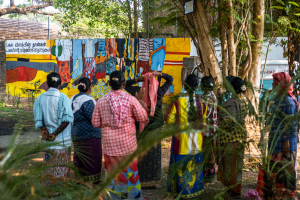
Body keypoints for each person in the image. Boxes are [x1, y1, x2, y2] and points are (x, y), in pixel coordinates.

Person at [92, 71, 148, 200]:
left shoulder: (101, 101)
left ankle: (112, 197)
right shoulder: (131, 100)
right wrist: (141, 102)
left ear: (110, 84)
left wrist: (106, 125)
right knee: (130, 173)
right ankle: (132, 197)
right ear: (123, 83)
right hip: (128, 146)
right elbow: (143, 117)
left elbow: (95, 123)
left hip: (110, 146)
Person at [256, 72, 298, 199]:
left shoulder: (289, 101)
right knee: (275, 168)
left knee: (285, 169)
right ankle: (276, 194)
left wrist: (286, 140)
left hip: (285, 143)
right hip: (275, 141)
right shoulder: (277, 100)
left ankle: (286, 195)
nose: (273, 84)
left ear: (282, 85)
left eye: (275, 82)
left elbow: (290, 122)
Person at [164, 74, 204, 198]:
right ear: (197, 86)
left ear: (184, 85)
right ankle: (194, 191)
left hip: (181, 144)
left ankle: (180, 192)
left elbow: (169, 119)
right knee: (194, 168)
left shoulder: (177, 100)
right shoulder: (202, 101)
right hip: (197, 143)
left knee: (180, 169)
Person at [33, 72, 74, 193]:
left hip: (48, 141)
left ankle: (49, 190)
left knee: (49, 166)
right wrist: (55, 133)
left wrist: (44, 130)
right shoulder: (63, 97)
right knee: (62, 165)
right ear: (60, 84)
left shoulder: (40, 98)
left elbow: (38, 117)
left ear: (47, 83)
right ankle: (61, 191)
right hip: (62, 141)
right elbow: (67, 120)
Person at [136, 71, 173, 188]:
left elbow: (126, 85)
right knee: (154, 155)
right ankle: (154, 181)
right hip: (155, 129)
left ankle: (142, 180)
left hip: (142, 129)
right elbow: (170, 79)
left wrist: (138, 80)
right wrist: (160, 74)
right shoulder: (159, 93)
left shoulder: (139, 93)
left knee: (142, 154)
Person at [216, 77, 249, 199]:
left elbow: (230, 122)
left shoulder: (231, 102)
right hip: (241, 136)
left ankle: (232, 190)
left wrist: (219, 121)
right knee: (237, 164)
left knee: (230, 164)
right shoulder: (245, 99)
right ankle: (236, 189)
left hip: (231, 138)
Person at [70, 77, 102, 184]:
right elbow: (93, 118)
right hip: (89, 135)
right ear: (90, 87)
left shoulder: (73, 98)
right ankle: (91, 182)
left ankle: (80, 180)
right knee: (91, 158)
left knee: (80, 157)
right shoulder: (87, 100)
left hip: (76, 133)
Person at [199, 76, 218, 185]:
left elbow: (204, 115)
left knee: (208, 153)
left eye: (201, 83)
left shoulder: (206, 98)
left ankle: (207, 178)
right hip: (212, 129)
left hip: (207, 130)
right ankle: (208, 176)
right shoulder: (212, 95)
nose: (200, 85)